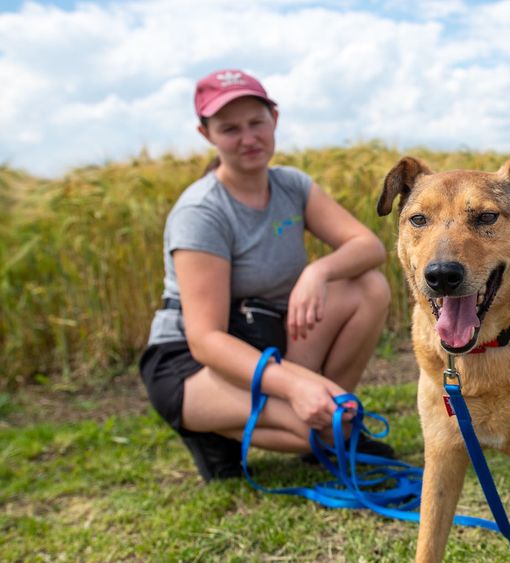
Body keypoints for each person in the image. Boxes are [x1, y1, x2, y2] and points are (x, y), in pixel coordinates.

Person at [140, 69, 394, 482]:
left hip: (268, 334)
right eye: (229, 129)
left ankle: (329, 418)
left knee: (368, 286)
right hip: (193, 359)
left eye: (256, 122)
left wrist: (318, 271)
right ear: (207, 135)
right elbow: (205, 339)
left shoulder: (291, 185)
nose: (248, 138)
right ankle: (208, 428)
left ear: (274, 119)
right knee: (325, 431)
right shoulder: (200, 212)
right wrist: (294, 386)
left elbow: (369, 247)